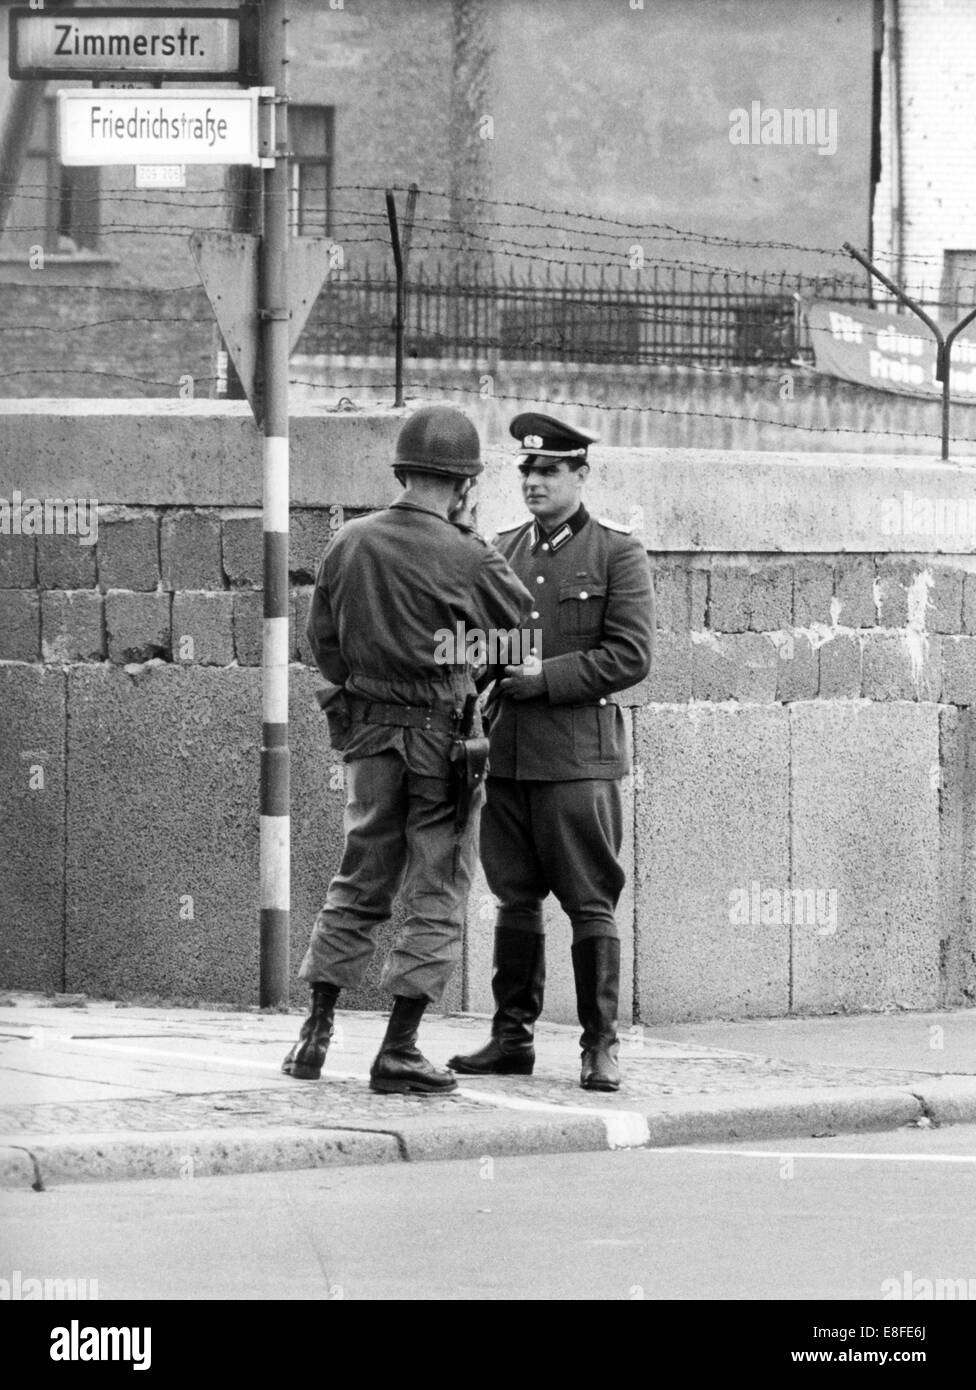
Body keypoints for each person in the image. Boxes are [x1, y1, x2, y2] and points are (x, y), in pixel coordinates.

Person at [283, 405, 531, 1095]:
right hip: (441, 744)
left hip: (368, 738)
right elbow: (515, 636)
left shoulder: (347, 542)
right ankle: (399, 1048)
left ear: (399, 470)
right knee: (438, 885)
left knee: (359, 877)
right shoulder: (468, 552)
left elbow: (324, 647)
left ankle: (314, 1033)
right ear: (463, 485)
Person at [449, 412, 654, 1092]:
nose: (534, 481)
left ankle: (600, 1045)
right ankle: (511, 1038)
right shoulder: (502, 548)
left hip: (575, 758)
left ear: (580, 475)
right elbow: (485, 640)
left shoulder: (615, 553)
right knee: (513, 899)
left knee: (590, 900)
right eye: (527, 471)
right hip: (507, 755)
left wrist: (546, 679)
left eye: (549, 470)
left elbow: (630, 656)